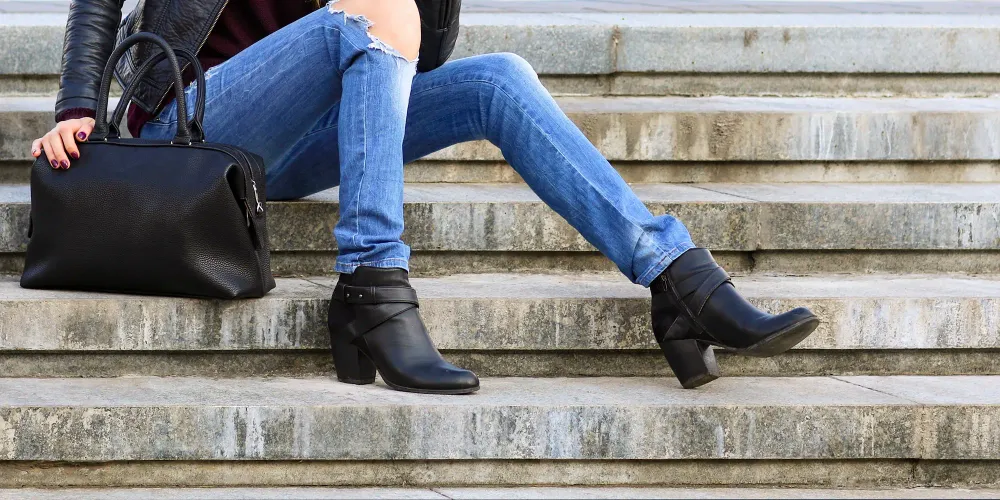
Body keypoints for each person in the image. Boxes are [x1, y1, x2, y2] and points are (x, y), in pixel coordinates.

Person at [33, 0, 819, 394]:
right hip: (188, 126)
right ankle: (374, 282)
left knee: (497, 78)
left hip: (290, 140)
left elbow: (422, 51)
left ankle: (676, 278)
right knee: (371, 14)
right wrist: (77, 108)